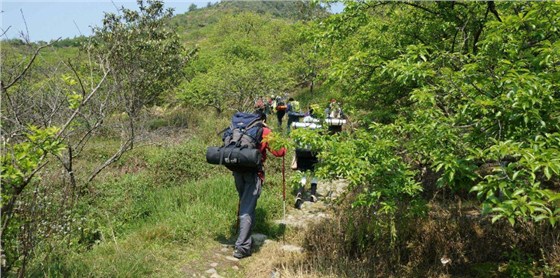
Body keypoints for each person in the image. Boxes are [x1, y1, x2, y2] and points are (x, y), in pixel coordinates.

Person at [231, 110, 286, 259]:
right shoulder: (264, 130)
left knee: (245, 204)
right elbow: (280, 152)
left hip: (237, 171)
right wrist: (272, 132)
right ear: (263, 119)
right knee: (247, 209)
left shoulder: (239, 128)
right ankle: (242, 248)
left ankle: (244, 239)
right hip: (254, 174)